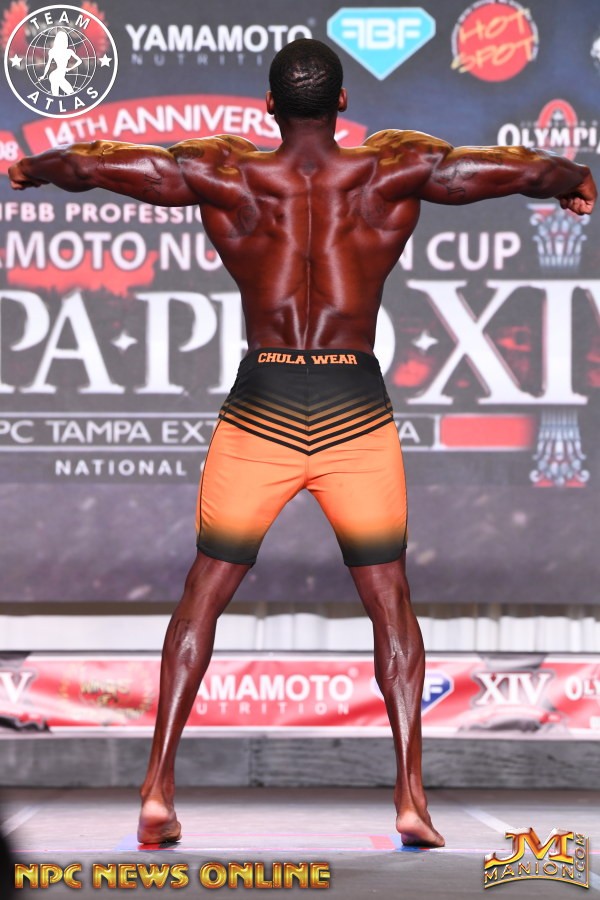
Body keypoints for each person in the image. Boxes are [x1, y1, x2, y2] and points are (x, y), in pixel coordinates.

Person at [9, 39, 596, 849]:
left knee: (204, 593)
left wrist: (32, 168)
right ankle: (411, 798)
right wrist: (571, 177)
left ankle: (156, 790)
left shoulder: (226, 172)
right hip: (354, 408)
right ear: (342, 102)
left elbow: (99, 164)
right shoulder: (392, 169)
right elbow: (503, 170)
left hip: (265, 404)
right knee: (390, 603)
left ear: (269, 106)